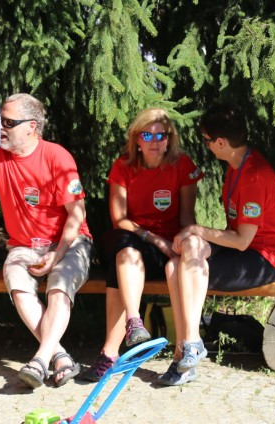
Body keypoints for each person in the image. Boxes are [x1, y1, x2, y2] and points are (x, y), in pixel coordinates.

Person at [159, 102, 275, 385]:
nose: (206, 145)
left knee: (177, 268)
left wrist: (196, 228)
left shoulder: (254, 176)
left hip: (265, 257)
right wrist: (195, 235)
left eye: (206, 140)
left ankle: (185, 350)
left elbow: (243, 241)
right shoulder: (236, 165)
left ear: (221, 142)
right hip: (243, 247)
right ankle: (188, 349)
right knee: (176, 262)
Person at [80, 108, 203, 383]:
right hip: (134, 238)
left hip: (168, 245)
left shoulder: (182, 165)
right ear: (137, 139)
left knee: (173, 268)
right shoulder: (123, 166)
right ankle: (132, 324)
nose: (154, 141)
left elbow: (187, 219)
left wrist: (183, 248)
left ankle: (180, 357)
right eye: (147, 135)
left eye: (161, 135)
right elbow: (119, 219)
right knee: (124, 252)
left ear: (170, 139)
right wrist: (154, 239)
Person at [0, 93, 91, 388]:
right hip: (23, 246)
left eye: (8, 122)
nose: (0, 127)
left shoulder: (56, 157)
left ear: (32, 126)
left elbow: (77, 213)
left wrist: (58, 253)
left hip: (70, 240)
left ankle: (41, 359)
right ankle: (59, 356)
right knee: (18, 285)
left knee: (59, 287)